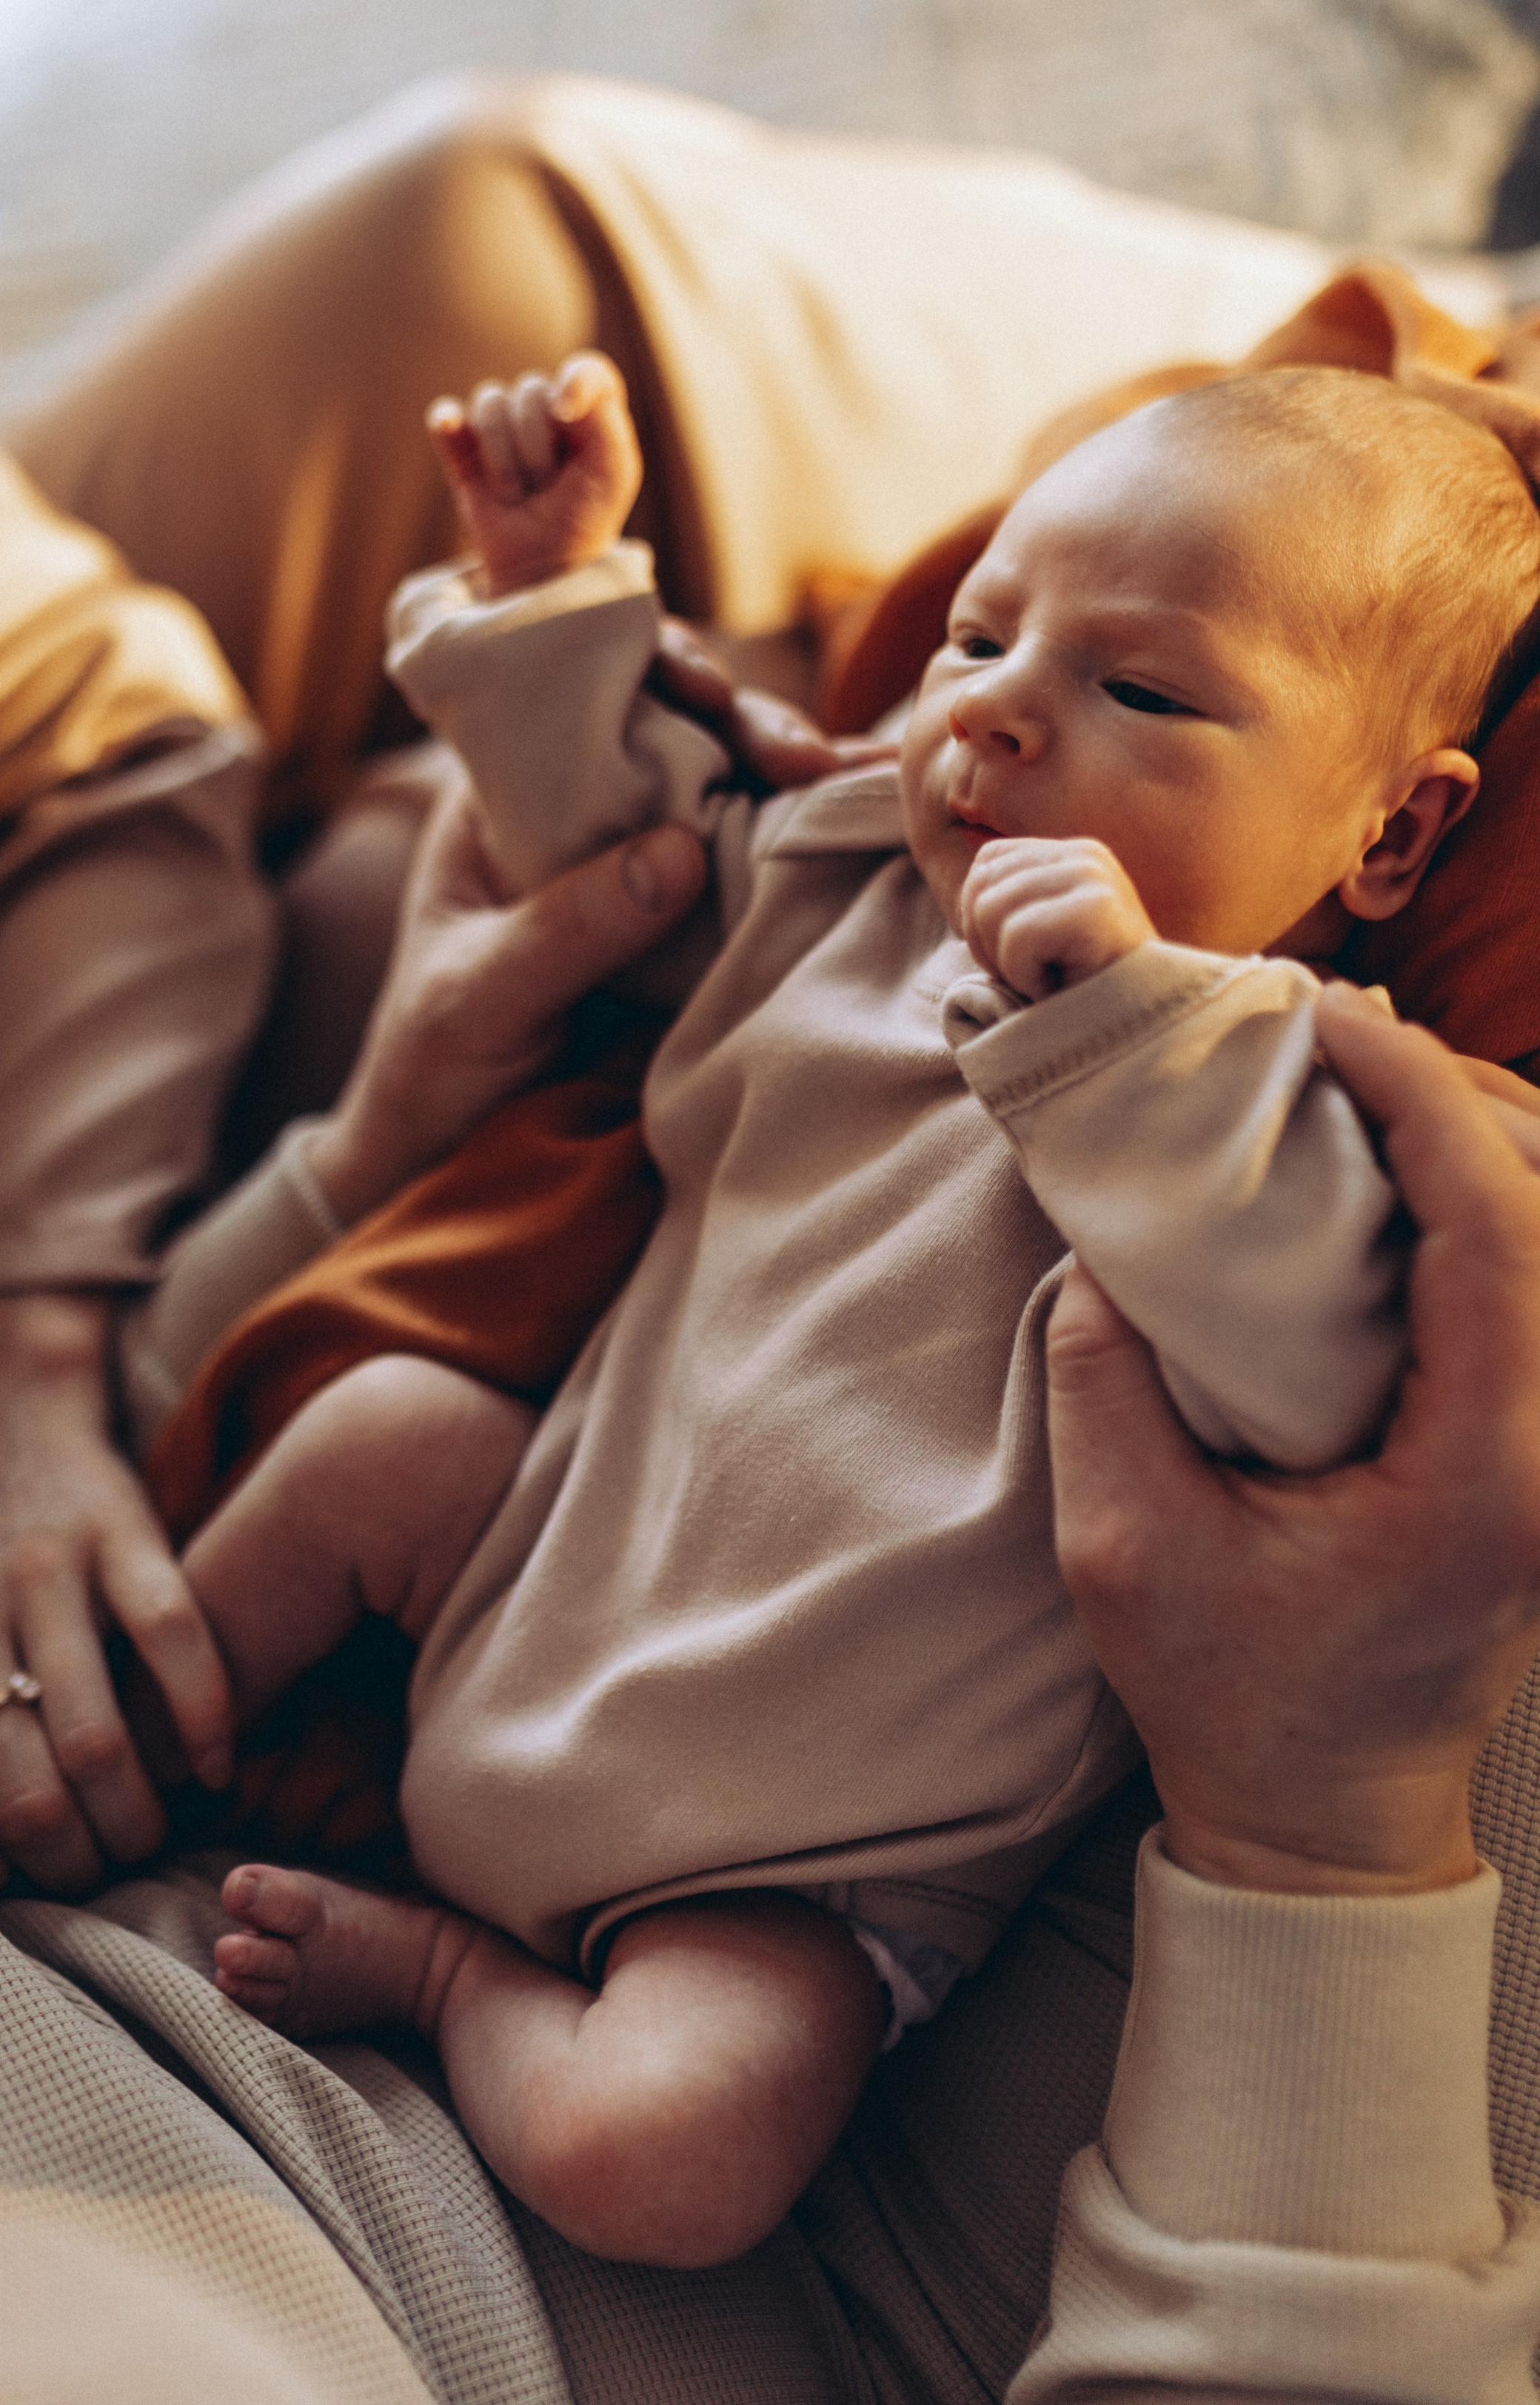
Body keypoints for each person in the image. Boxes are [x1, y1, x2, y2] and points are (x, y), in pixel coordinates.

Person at [122, 343, 1535, 2267]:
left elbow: (1322, 1352)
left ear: (1390, 836)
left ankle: (455, 1979)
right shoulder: (855, 876)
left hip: (791, 1865)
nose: (997, 723)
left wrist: (1127, 1018)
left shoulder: (1295, 1090)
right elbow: (617, 828)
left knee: (671, 2160)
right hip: (533, 1551)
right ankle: (72, 1768)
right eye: (974, 639)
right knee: (376, 1437)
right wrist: (550, 597)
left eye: (1140, 689)